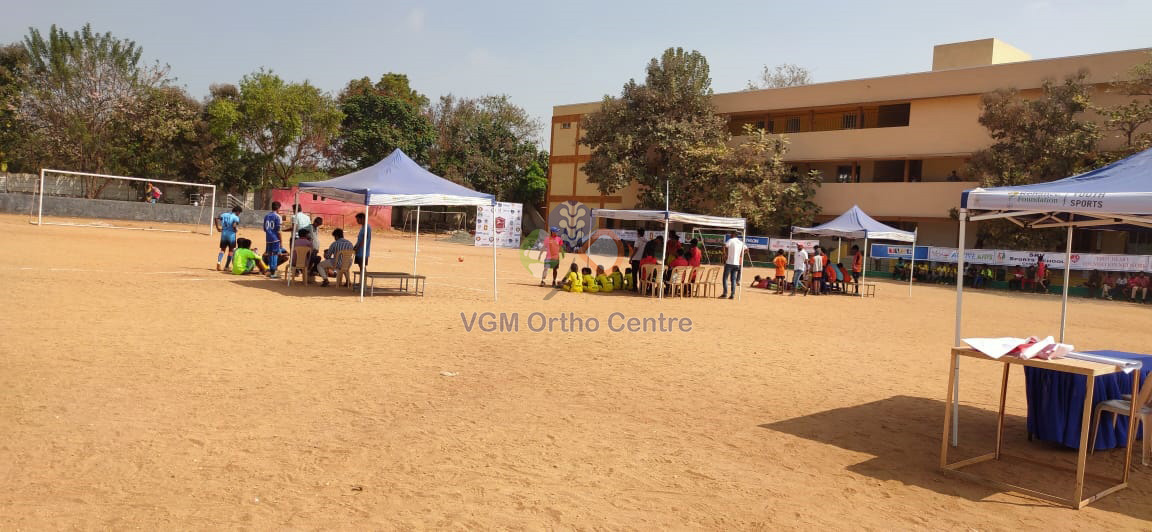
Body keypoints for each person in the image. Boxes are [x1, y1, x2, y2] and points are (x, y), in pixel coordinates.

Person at [214, 206, 242, 271]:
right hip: (231, 235)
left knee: (222, 249)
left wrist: (217, 228)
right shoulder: (236, 217)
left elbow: (216, 218)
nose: (239, 214)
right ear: (237, 211)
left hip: (224, 234)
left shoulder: (224, 214)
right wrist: (235, 229)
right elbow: (234, 225)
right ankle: (226, 266)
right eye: (239, 212)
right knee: (231, 251)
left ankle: (219, 262)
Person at [719, 233, 746, 300]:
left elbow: (724, 246)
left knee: (725, 278)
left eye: (731, 235)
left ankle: (725, 293)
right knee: (733, 279)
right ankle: (732, 294)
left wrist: (724, 254)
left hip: (729, 263)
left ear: (733, 235)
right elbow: (747, 249)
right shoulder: (741, 242)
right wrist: (740, 255)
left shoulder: (731, 240)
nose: (730, 236)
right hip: (736, 264)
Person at [263, 202, 283, 279]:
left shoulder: (266, 216)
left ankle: (271, 271)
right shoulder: (278, 217)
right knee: (274, 254)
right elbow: (279, 231)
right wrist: (281, 242)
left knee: (270, 254)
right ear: (278, 208)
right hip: (275, 239)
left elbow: (265, 229)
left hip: (268, 238)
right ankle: (273, 272)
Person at [630, 228, 648, 292]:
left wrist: (631, 258)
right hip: (642, 259)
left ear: (638, 233)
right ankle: (641, 287)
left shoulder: (638, 240)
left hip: (636, 258)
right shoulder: (646, 241)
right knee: (641, 274)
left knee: (634, 274)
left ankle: (635, 287)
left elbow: (635, 249)